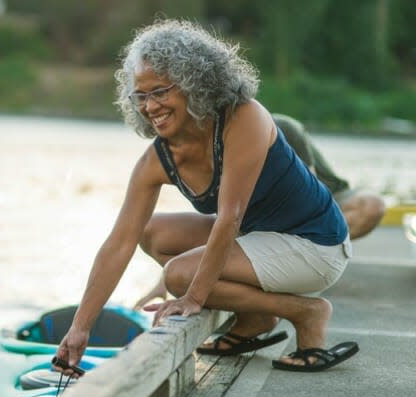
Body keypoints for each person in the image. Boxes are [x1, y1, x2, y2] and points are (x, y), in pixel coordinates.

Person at [53, 19, 358, 375]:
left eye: (160, 91)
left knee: (179, 276)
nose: (150, 107)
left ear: (194, 83)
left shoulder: (243, 119)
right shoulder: (157, 159)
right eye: (141, 95)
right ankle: (257, 315)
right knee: (152, 232)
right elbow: (120, 242)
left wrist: (193, 297)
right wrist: (80, 327)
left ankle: (305, 313)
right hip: (258, 238)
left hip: (315, 246)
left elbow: (229, 218)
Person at [133, 114, 386, 310]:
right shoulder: (217, 141)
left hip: (323, 200)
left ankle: (301, 275)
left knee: (372, 205)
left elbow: (307, 198)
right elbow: (229, 216)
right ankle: (257, 297)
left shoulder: (282, 127)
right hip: (258, 215)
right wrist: (164, 283)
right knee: (164, 239)